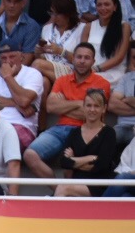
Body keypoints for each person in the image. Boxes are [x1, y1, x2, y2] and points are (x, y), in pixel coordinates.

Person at [23, 41, 111, 177]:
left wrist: (64, 104)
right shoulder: (62, 80)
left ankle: (65, 192)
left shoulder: (102, 83)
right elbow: (51, 107)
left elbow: (92, 114)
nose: (82, 61)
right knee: (29, 155)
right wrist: (78, 103)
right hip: (60, 129)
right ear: (73, 58)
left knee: (69, 168)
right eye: (79, 57)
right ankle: (58, 189)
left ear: (93, 61)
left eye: (87, 58)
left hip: (87, 130)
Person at [52, 86, 120, 193]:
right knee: (62, 190)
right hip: (76, 183)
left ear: (104, 108)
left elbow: (102, 165)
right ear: (83, 107)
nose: (92, 110)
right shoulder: (74, 133)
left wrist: (74, 160)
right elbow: (64, 162)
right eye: (88, 105)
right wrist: (90, 158)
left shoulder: (109, 133)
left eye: (96, 106)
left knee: (63, 188)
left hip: (99, 185)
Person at [78, 0, 128, 83]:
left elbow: (119, 57)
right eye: (99, 5)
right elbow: (82, 52)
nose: (103, 8)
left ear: (115, 7)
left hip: (112, 74)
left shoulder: (124, 26)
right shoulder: (88, 27)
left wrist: (95, 69)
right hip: (88, 71)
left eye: (107, 4)